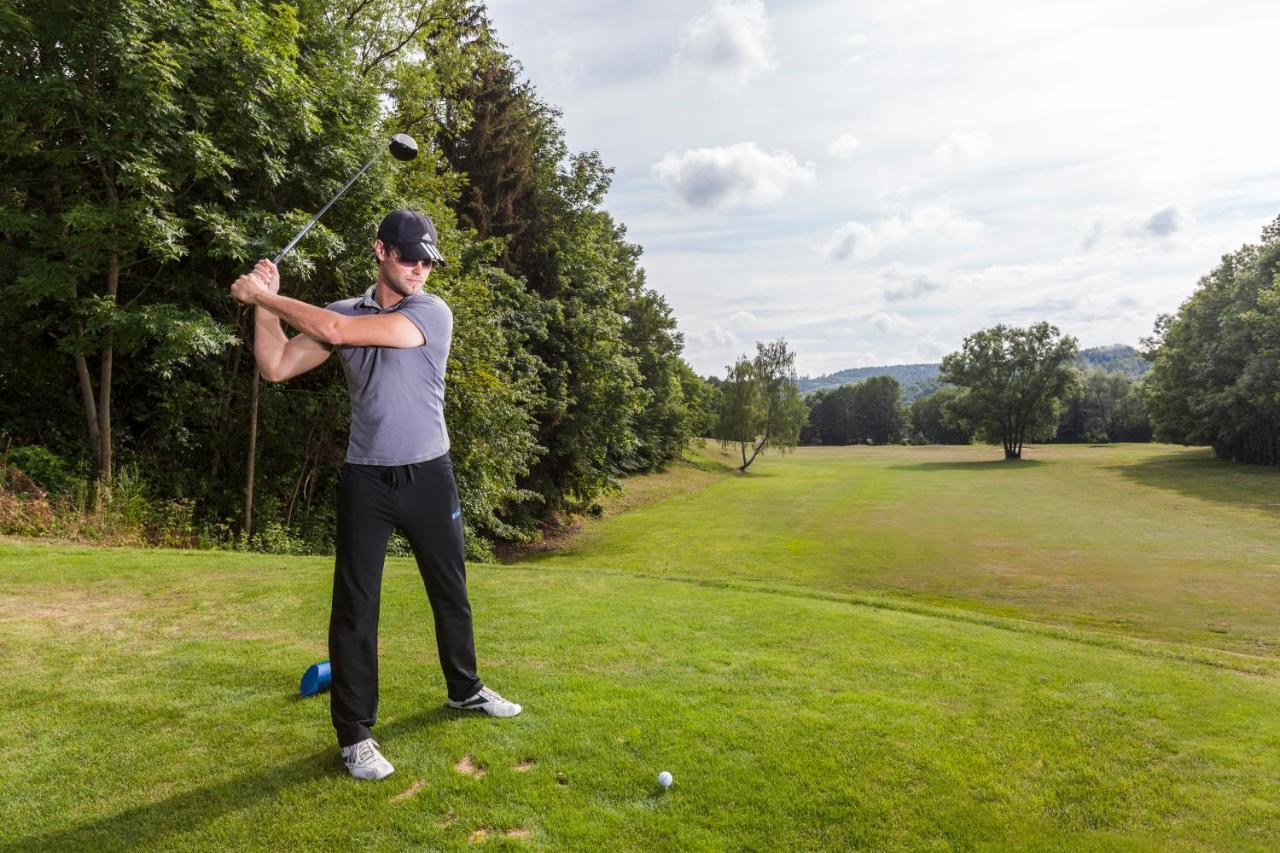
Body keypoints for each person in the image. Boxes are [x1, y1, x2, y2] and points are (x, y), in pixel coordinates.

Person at [229, 209, 521, 781]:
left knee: (450, 590)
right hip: (366, 479)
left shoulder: (431, 312)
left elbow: (337, 334)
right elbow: (277, 365)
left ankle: (464, 690)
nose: (420, 269)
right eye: (409, 257)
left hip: (430, 474)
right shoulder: (341, 311)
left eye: (428, 261)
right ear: (381, 251)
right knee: (356, 607)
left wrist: (262, 296)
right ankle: (356, 736)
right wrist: (264, 303)